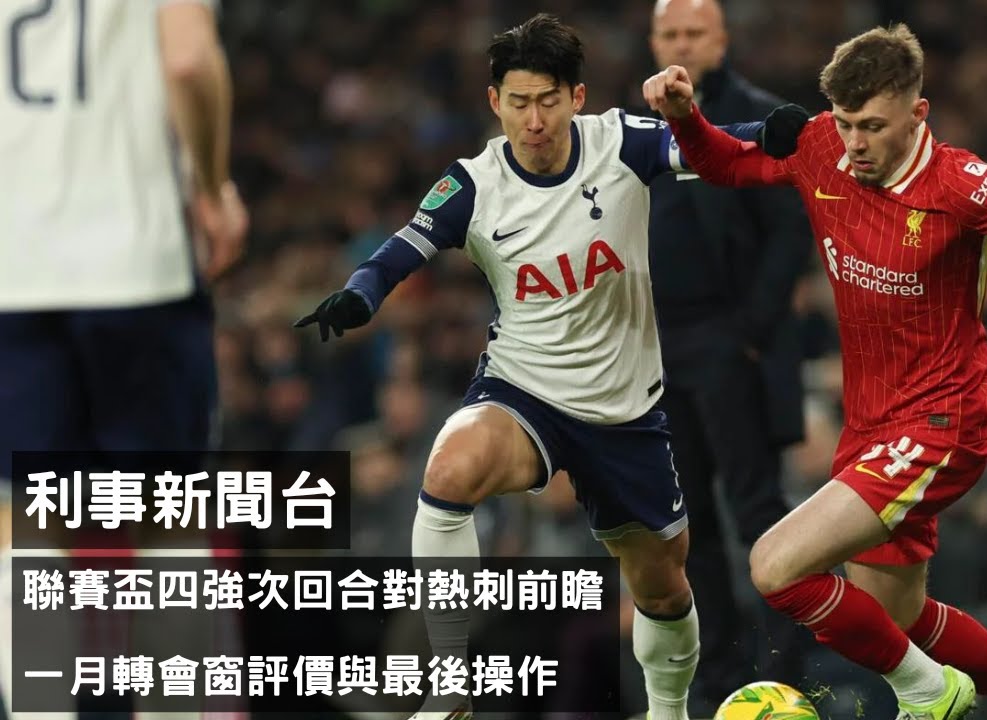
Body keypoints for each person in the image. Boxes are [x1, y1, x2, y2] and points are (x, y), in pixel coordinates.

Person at [643, 22, 987, 720]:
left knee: (774, 566)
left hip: (943, 421)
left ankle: (928, 690)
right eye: (845, 123)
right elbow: (724, 163)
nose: (855, 143)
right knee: (894, 618)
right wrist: (685, 118)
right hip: (870, 426)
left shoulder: (961, 185)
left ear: (918, 113)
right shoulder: (820, 148)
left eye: (873, 126)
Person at [294, 14, 766, 720]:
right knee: (448, 470)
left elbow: (721, 151)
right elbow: (401, 248)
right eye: (519, 102)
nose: (534, 120)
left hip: (624, 411)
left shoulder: (622, 142)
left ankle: (668, 712)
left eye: (548, 100)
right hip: (525, 390)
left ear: (577, 98)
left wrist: (785, 136)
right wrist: (361, 293)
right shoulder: (474, 184)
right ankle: (450, 681)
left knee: (664, 588)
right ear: (495, 103)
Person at [0, 1, 245, 717]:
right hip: (139, 260)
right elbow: (188, 58)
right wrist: (212, 188)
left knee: (27, 525)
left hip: (14, 268)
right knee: (169, 520)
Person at [644, 0, 814, 709]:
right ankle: (715, 680)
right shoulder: (639, 125)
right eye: (670, 34)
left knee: (758, 511)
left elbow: (791, 230)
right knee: (687, 529)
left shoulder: (760, 117)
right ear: (654, 42)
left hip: (729, 340)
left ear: (721, 40)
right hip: (659, 348)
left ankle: (787, 675)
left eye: (694, 33)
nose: (681, 44)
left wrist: (750, 330)